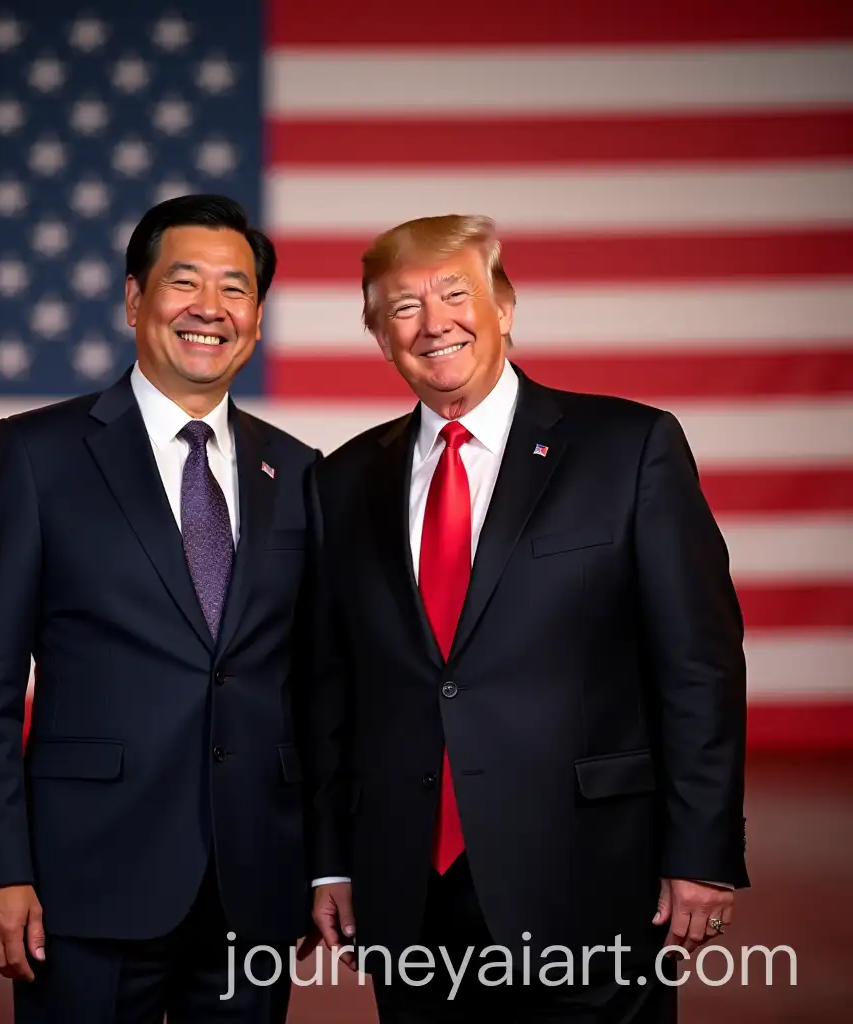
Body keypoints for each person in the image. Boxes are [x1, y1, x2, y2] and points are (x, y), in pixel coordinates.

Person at [301, 214, 749, 1021]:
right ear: (380, 337)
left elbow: (698, 665)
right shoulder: (342, 481)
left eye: (455, 294)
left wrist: (703, 850)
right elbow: (332, 689)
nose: (433, 323)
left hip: (592, 873)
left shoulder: (629, 446)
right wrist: (331, 861)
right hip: (408, 887)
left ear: (504, 307)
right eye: (403, 307)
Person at [0, 194, 318, 1023]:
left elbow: (313, 683)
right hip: (85, 882)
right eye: (184, 282)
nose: (210, 309)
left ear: (257, 320)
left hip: (255, 887)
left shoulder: (299, 471)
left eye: (235, 289)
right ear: (133, 299)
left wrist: (320, 861)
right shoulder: (37, 454)